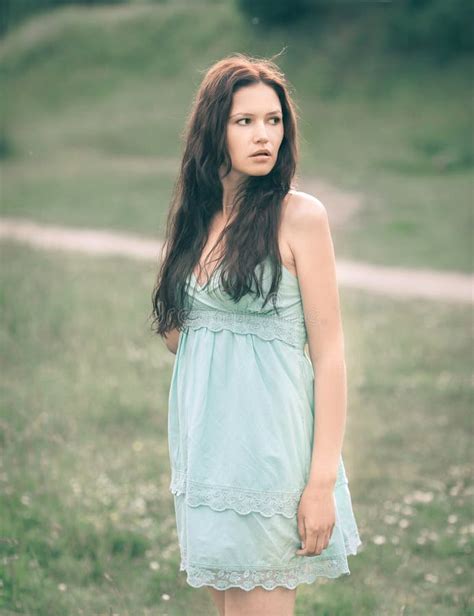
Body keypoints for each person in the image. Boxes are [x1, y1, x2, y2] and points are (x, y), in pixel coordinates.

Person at [150, 52, 362, 616]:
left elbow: (332, 356)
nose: (263, 134)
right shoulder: (198, 219)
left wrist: (319, 484)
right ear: (212, 129)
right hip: (210, 454)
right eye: (244, 121)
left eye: (273, 120)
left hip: (272, 458)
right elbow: (179, 337)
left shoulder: (300, 217)